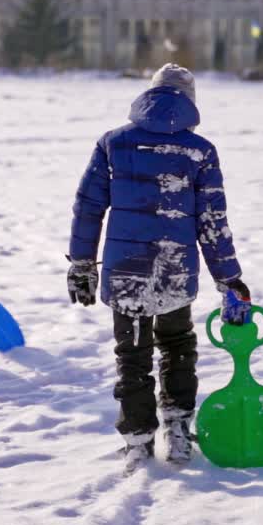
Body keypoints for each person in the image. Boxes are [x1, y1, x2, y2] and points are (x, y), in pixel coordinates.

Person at [68, 63, 250, 472]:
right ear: (189, 102)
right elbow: (211, 221)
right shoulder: (199, 151)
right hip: (175, 268)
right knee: (177, 347)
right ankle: (179, 428)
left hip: (126, 270)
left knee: (131, 355)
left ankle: (137, 440)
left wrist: (82, 263)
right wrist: (229, 279)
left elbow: (88, 208)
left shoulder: (113, 143)